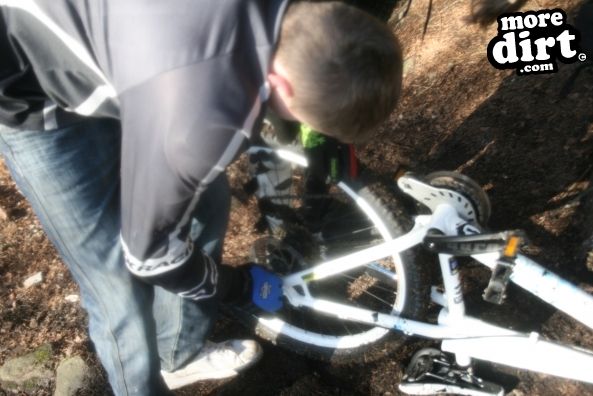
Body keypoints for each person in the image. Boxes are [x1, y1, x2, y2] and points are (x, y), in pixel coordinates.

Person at [0, 0, 403, 394]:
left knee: (206, 202)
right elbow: (148, 256)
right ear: (279, 83)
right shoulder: (200, 123)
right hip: (32, 93)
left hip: (135, 58)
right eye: (302, 117)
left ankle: (179, 355)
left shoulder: (286, 22)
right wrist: (236, 285)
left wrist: (315, 129)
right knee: (117, 287)